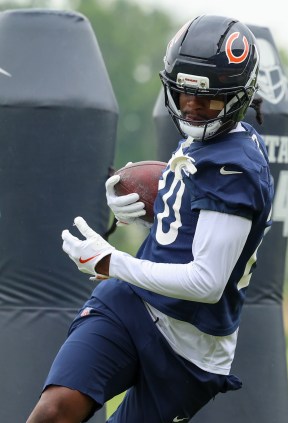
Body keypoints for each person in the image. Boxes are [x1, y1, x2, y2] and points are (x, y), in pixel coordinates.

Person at [27, 15, 273, 423]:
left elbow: (206, 282)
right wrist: (150, 212)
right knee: (54, 411)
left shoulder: (236, 166)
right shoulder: (210, 136)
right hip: (133, 306)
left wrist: (112, 262)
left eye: (207, 99)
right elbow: (193, 222)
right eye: (183, 94)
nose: (192, 108)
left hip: (190, 349)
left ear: (238, 98)